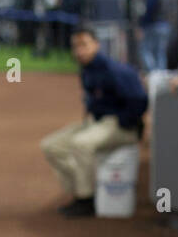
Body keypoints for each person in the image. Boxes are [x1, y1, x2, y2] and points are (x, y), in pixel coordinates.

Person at [40, 25, 148, 218]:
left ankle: (86, 200)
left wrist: (124, 122)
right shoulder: (87, 70)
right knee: (51, 145)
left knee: (80, 144)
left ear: (96, 45)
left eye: (84, 45)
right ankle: (81, 188)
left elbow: (140, 100)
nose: (79, 51)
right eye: (76, 46)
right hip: (97, 123)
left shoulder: (115, 70)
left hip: (122, 126)